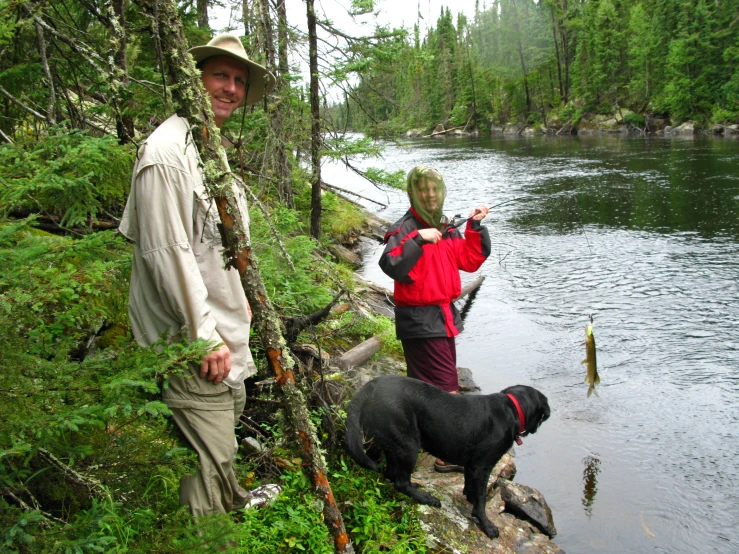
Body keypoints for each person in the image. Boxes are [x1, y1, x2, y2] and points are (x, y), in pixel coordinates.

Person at [119, 34, 276, 516]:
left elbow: (219, 244)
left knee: (219, 446)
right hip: (192, 340)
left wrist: (245, 301)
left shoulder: (207, 147)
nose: (230, 88)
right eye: (219, 75)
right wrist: (202, 337)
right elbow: (167, 252)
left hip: (223, 329)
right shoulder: (166, 153)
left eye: (238, 80)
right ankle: (210, 538)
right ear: (195, 79)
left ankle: (228, 513)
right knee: (211, 459)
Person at [378, 166, 491, 472]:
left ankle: (423, 440)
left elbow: (469, 260)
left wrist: (476, 227)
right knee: (447, 390)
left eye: (435, 189)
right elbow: (392, 265)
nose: (430, 194)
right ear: (413, 192)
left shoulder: (447, 225)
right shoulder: (403, 228)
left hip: (440, 316)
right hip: (420, 320)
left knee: (425, 387)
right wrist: (418, 239)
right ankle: (448, 455)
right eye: (423, 189)